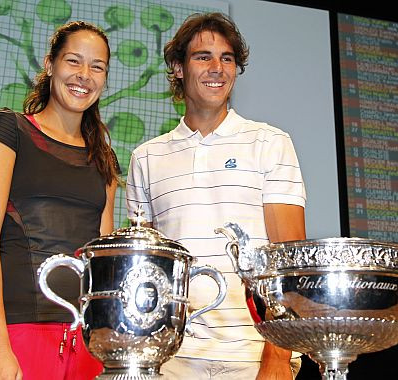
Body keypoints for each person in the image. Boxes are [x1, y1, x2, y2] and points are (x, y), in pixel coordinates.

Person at [126, 12, 306, 380]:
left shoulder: (270, 142)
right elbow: (144, 270)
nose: (217, 68)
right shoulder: (146, 157)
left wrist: (277, 357)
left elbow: (289, 259)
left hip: (254, 356)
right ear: (177, 68)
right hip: (170, 359)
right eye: (203, 57)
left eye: (227, 58)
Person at [0, 21, 119, 380]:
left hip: (89, 343)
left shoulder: (104, 160)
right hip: (19, 337)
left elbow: (102, 264)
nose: (84, 75)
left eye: (96, 67)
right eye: (73, 61)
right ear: (50, 65)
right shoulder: (10, 130)